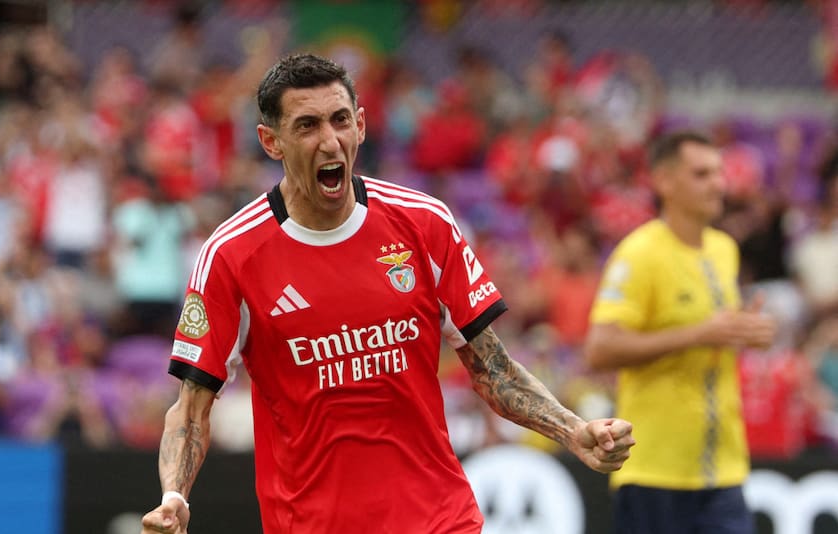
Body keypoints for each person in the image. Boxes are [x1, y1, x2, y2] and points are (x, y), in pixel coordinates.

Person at [141, 53, 635, 534]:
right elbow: (190, 409)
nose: (330, 141)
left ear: (360, 124)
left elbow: (493, 370)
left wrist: (573, 430)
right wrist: (174, 497)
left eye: (339, 120)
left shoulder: (424, 224)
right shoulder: (231, 255)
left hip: (440, 519)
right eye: (307, 126)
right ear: (271, 142)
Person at [585, 131, 777, 534]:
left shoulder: (724, 248)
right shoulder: (639, 254)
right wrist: (698, 334)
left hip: (722, 468)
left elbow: (712, 332)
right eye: (702, 174)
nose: (719, 183)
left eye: (719, 172)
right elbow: (600, 348)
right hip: (655, 471)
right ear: (663, 181)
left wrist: (745, 331)